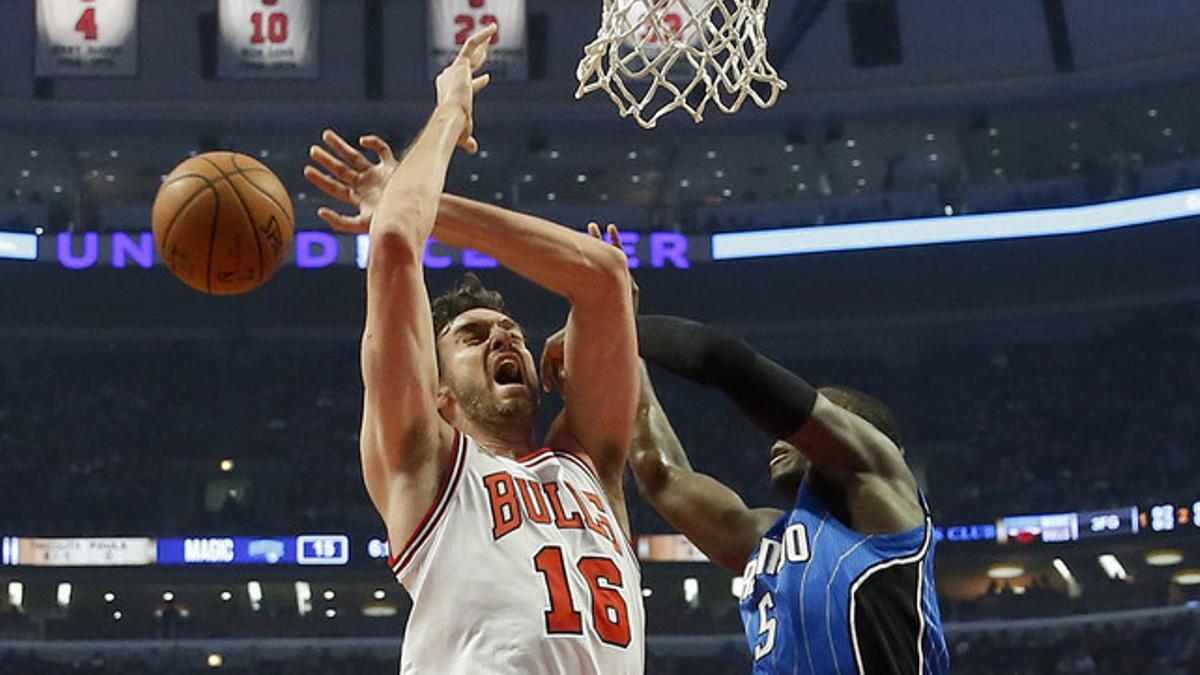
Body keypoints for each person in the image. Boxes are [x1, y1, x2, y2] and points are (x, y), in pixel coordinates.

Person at [302, 26, 643, 673]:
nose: (503, 335)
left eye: (509, 329)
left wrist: (410, 193)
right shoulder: (424, 460)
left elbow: (603, 277)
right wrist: (451, 111)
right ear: (437, 389)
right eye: (472, 335)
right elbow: (399, 242)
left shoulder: (589, 463)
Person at [541, 233, 947, 673]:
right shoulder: (769, 538)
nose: (780, 437)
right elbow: (660, 476)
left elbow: (722, 360)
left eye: (812, 427)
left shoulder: (886, 496)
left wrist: (617, 326)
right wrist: (617, 351)